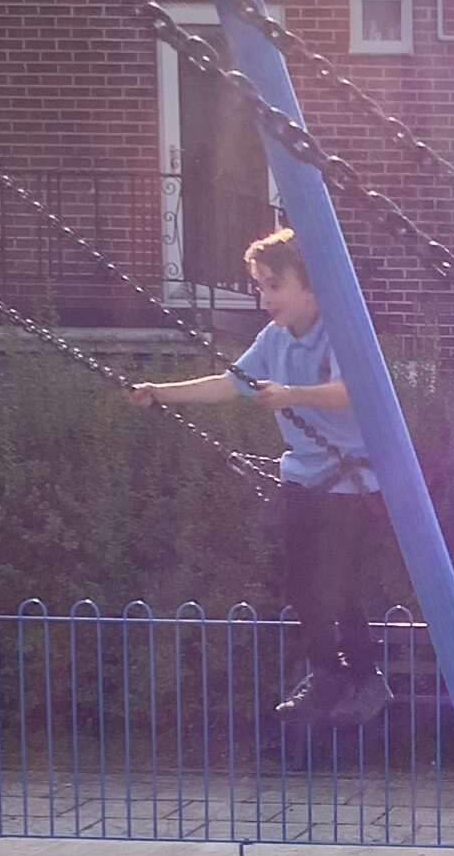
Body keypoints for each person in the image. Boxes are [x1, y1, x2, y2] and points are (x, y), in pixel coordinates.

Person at [133, 228, 394, 733]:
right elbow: (227, 384)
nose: (265, 297)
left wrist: (292, 394)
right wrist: (159, 392)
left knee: (337, 583)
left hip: (351, 480)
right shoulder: (273, 339)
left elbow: (351, 390)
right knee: (299, 582)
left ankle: (366, 676)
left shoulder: (340, 332)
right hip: (303, 477)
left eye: (275, 285)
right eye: (260, 286)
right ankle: (326, 672)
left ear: (311, 287)